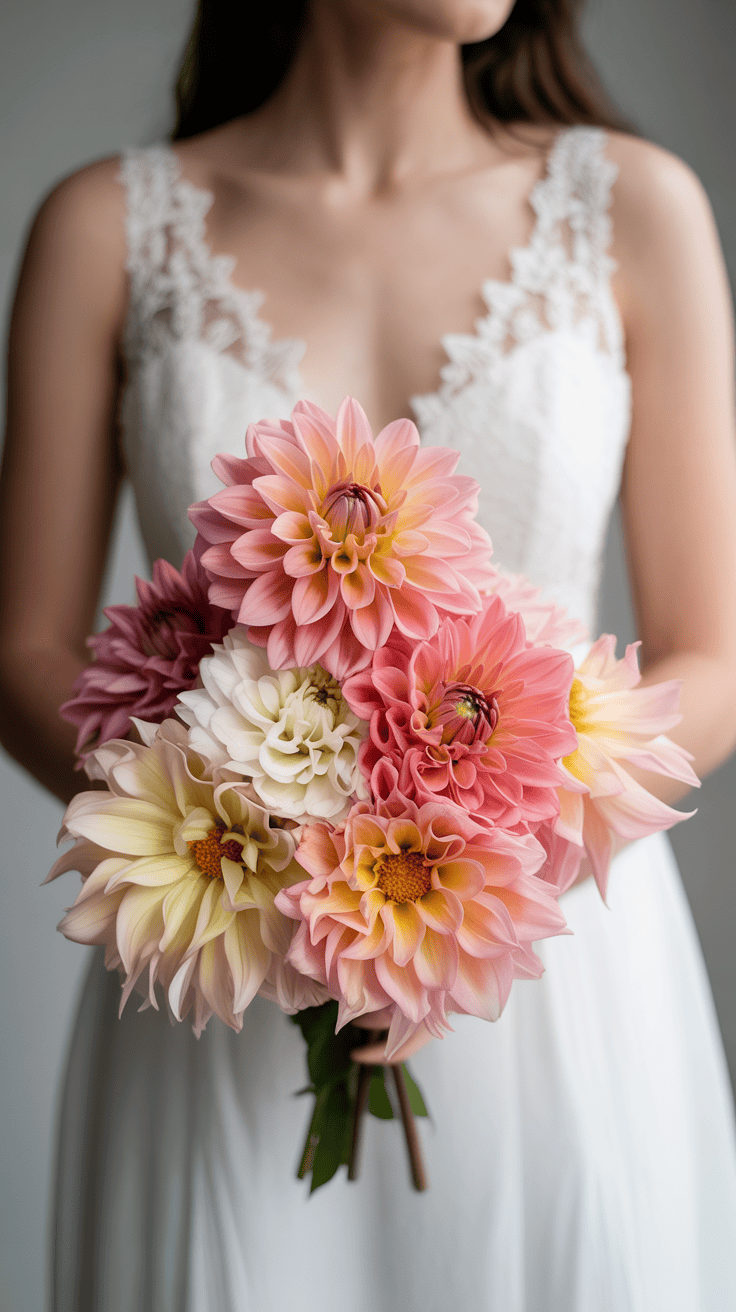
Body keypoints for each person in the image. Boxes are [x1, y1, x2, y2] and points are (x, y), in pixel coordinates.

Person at [2, 0, 736, 1307]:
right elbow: (25, 651)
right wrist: (251, 868)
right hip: (218, 975)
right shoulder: (108, 228)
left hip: (559, 968)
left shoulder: (635, 209)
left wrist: (475, 879)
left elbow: (711, 654)